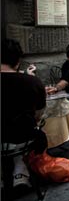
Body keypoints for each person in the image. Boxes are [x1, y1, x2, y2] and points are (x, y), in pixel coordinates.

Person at [1, 38, 48, 189]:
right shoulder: (32, 82)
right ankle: (20, 172)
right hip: (23, 136)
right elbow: (39, 114)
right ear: (18, 60)